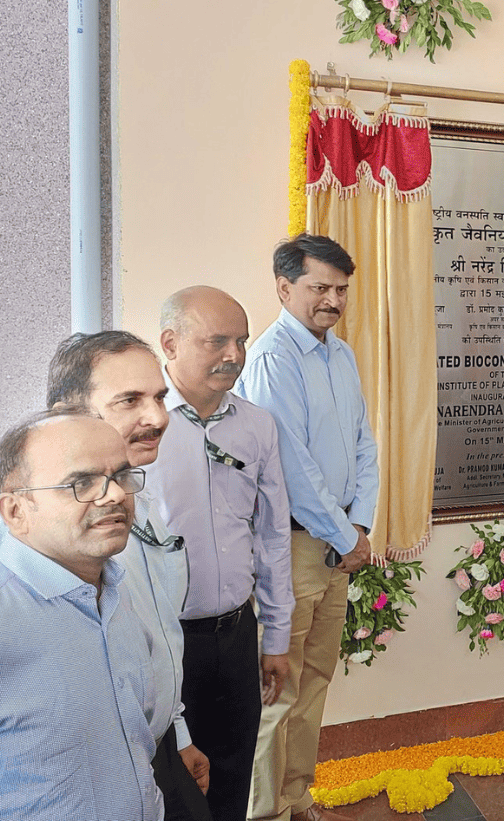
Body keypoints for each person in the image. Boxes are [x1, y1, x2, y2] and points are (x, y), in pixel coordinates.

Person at [236, 234, 379, 821]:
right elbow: (292, 467)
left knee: (315, 682)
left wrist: (360, 523)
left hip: (338, 544)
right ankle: (265, 812)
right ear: (284, 287)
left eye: (341, 289)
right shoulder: (273, 359)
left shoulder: (339, 356)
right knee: (279, 692)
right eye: (320, 287)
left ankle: (297, 800)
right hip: (292, 548)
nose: (332, 300)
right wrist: (349, 539)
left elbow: (364, 448)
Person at [46, 331, 212, 821]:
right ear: (66, 413)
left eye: (160, 397)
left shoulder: (141, 504)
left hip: (154, 748)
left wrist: (175, 735)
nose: (159, 417)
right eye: (130, 400)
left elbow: (156, 639)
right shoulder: (49, 534)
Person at [148, 287, 294, 821]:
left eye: (241, 341)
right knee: (173, 786)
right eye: (216, 341)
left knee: (233, 777)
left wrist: (275, 635)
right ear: (170, 343)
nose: (234, 355)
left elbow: (274, 534)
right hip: (164, 641)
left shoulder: (256, 426)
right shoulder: (142, 429)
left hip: (235, 636)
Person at [0, 409, 163, 820]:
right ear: (16, 510)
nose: (113, 496)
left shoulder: (115, 589)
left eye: (121, 476)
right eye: (82, 483)